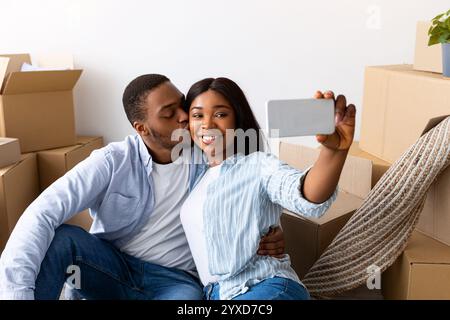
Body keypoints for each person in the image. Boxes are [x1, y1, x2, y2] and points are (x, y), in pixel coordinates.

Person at [0, 74, 284, 300]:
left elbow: (252, 186)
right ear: (142, 128)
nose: (184, 117)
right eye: (168, 113)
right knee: (62, 238)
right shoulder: (112, 161)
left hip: (175, 280)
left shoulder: (207, 150)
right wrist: (15, 293)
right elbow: (42, 212)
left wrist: (271, 230)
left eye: (181, 106)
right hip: (109, 269)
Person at [179, 77, 356, 300]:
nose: (207, 124)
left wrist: (333, 152)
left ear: (238, 120)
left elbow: (306, 196)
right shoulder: (196, 178)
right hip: (218, 295)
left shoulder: (258, 165)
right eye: (197, 115)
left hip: (263, 287)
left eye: (220, 114)